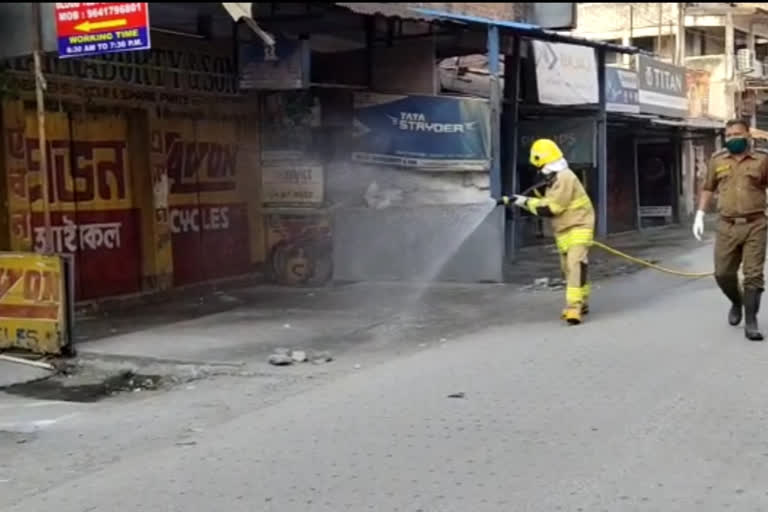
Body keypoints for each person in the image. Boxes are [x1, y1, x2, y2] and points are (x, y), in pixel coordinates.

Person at [499, 138, 595, 325]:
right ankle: (582, 302)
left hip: (579, 225)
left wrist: (522, 201)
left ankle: (573, 307)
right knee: (570, 267)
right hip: (563, 228)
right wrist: (518, 199)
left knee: (575, 263)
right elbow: (545, 202)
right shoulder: (554, 179)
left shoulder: (565, 178)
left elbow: (551, 209)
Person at [693, 119, 768, 341]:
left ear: (748, 136)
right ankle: (737, 301)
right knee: (723, 273)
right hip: (726, 225)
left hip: (756, 223)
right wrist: (699, 214)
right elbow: (708, 188)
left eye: (737, 134)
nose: (733, 138)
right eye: (729, 135)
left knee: (753, 275)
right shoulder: (717, 160)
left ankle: (751, 321)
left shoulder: (762, 160)